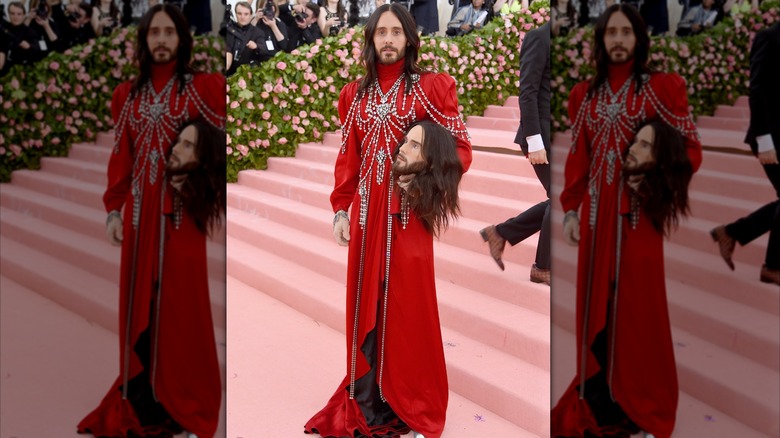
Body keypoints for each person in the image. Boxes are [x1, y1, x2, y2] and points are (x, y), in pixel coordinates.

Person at [304, 4, 472, 438]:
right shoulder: (354, 97)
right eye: (381, 32)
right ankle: (368, 400)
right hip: (365, 219)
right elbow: (348, 160)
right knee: (364, 305)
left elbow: (460, 150)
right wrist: (340, 208)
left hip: (407, 220)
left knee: (408, 310)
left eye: (396, 31)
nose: (388, 39)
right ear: (370, 39)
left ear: (410, 38)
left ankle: (410, 404)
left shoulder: (430, 89)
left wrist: (420, 181)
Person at [552, 5, 702, 438]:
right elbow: (579, 156)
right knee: (594, 308)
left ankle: (639, 401)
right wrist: (570, 209)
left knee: (637, 311)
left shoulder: (662, 88)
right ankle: (600, 396)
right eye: (610, 32)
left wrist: (648, 179)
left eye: (626, 33)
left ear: (639, 38)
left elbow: (690, 149)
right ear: (600, 40)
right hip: (598, 222)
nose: (618, 40)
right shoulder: (585, 94)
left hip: (639, 221)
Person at [76, 4, 225, 437]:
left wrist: (195, 176)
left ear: (182, 38)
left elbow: (218, 143)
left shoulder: (204, 88)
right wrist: (113, 209)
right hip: (141, 218)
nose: (161, 40)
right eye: (154, 33)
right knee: (140, 305)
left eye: (169, 33)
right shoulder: (128, 95)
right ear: (144, 40)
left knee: (180, 309)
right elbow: (121, 156)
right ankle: (142, 394)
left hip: (182, 218)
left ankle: (178, 398)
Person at [479, 20, 552, 285]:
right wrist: (535, 141)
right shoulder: (539, 37)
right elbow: (528, 92)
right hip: (541, 137)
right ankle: (543, 267)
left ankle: (500, 233)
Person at [710, 22, 780, 286]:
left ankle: (730, 232)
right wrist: (764, 140)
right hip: (770, 136)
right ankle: (772, 266)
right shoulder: (769, 37)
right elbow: (757, 91)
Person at [225, 1, 266, 76]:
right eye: (239, 13)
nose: (242, 17)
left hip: (249, 74)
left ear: (251, 15)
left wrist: (256, 47)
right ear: (236, 14)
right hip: (230, 72)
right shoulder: (229, 31)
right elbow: (228, 50)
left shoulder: (258, 33)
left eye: (246, 14)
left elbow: (264, 51)